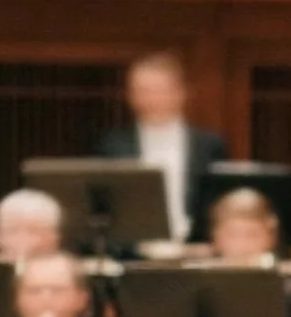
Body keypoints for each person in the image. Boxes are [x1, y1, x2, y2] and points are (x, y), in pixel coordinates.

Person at [97, 51, 226, 244]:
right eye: (143, 91)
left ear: (181, 93)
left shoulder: (209, 145)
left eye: (160, 90)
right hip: (132, 252)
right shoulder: (113, 145)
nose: (153, 99)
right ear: (130, 96)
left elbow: (218, 203)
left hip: (194, 250)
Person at [205, 185, 281, 265]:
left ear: (271, 237)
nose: (243, 244)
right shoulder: (203, 272)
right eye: (233, 235)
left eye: (252, 234)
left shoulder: (284, 272)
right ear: (215, 237)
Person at [0, 187, 64, 262]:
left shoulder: (71, 271)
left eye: (33, 231)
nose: (21, 240)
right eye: (11, 231)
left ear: (54, 237)